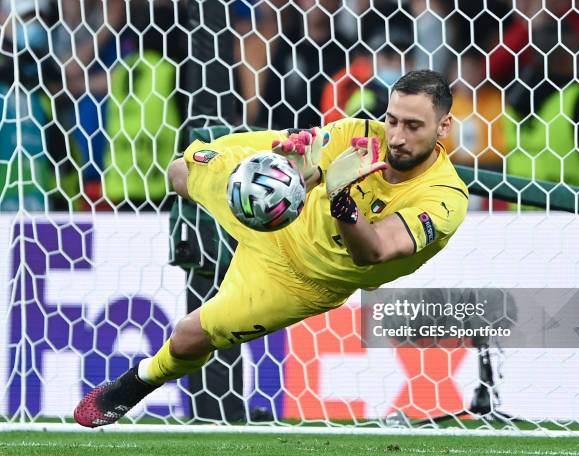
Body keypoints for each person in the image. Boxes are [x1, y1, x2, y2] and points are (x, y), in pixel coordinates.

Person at [73, 69, 469, 428]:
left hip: (301, 280)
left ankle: (138, 381)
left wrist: (343, 201)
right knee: (182, 169)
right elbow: (310, 171)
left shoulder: (445, 197)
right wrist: (296, 170)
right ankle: (246, 220)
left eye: (414, 126)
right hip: (288, 218)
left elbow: (375, 252)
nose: (397, 137)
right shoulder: (361, 135)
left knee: (189, 335)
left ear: (444, 126)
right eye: (392, 120)